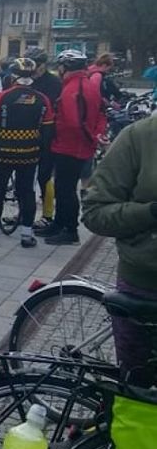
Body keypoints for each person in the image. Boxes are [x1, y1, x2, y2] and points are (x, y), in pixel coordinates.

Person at [82, 112, 157, 386]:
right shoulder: (141, 136)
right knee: (139, 399)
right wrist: (150, 212)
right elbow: (95, 212)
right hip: (146, 290)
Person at [0, 57, 55, 249]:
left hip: (4, 154)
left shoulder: (1, 97)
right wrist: (45, 158)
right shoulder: (43, 100)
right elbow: (48, 132)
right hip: (30, 154)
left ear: (12, 76)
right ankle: (27, 236)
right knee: (27, 192)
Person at [39, 50, 104, 246]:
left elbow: (74, 122)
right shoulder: (89, 84)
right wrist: (96, 135)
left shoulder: (71, 89)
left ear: (63, 68)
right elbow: (102, 112)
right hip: (79, 146)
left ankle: (70, 230)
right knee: (64, 187)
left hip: (69, 146)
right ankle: (59, 223)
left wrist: (85, 137)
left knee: (65, 189)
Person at [27, 48, 63, 230]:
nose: (33, 69)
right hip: (27, 133)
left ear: (43, 65)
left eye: (36, 65)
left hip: (47, 134)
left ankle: (47, 215)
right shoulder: (27, 80)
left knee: (44, 176)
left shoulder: (53, 82)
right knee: (25, 177)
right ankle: (24, 212)